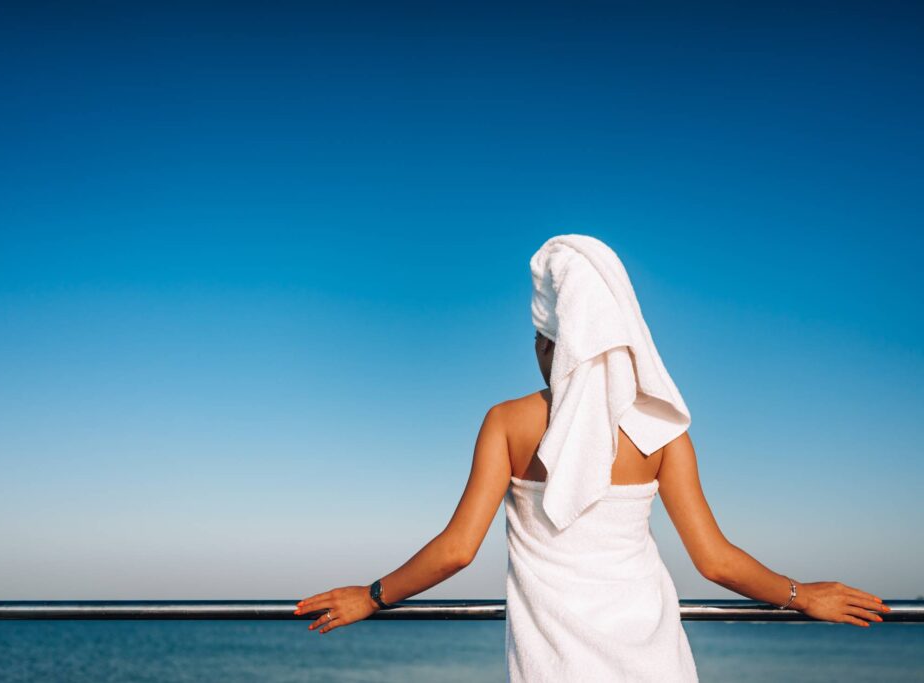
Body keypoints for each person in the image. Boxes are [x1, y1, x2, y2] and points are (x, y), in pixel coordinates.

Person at [294, 236, 890, 681]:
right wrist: (800, 594)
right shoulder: (662, 430)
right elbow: (715, 561)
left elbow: (456, 550)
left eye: (537, 336)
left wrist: (370, 597)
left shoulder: (507, 422)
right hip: (652, 661)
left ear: (552, 340)